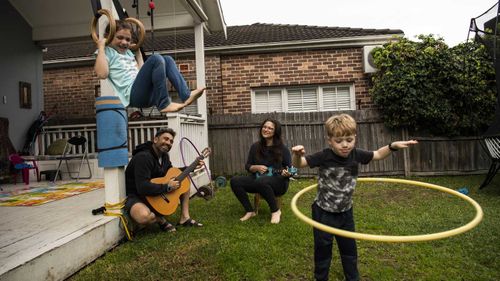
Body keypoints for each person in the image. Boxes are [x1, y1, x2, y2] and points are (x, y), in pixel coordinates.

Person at [291, 113, 418, 281]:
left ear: (355, 138)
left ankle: (353, 278)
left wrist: (392, 146)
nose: (345, 145)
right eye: (339, 141)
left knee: (349, 250)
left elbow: (378, 154)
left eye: (349, 140)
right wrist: (297, 155)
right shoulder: (324, 156)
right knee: (323, 250)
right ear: (330, 140)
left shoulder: (356, 154)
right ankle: (321, 278)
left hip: (345, 212)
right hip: (323, 213)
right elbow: (299, 165)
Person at [94, 20, 205, 113]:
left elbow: (141, 73)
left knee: (167, 60)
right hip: (133, 96)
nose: (124, 42)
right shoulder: (107, 52)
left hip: (148, 95)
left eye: (128, 39)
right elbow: (102, 74)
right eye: (120, 37)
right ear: (108, 37)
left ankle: (186, 95)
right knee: (156, 59)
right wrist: (101, 47)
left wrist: (137, 53)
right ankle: (164, 104)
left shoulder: (128, 53)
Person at [125, 127, 203, 233]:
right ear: (155, 140)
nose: (168, 143)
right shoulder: (143, 157)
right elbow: (142, 187)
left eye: (171, 141)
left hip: (155, 193)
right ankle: (160, 220)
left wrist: (191, 167)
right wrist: (167, 187)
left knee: (183, 180)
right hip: (138, 195)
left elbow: (171, 173)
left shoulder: (164, 156)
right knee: (144, 217)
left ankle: (185, 218)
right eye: (165, 139)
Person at [230, 119, 293, 224]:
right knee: (235, 181)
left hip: (278, 182)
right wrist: (255, 167)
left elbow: (290, 169)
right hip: (258, 179)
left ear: (275, 132)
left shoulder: (282, 149)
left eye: (270, 128)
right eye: (264, 127)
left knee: (262, 181)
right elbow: (248, 166)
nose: (266, 129)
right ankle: (250, 211)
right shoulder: (255, 146)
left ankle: (275, 211)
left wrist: (288, 173)